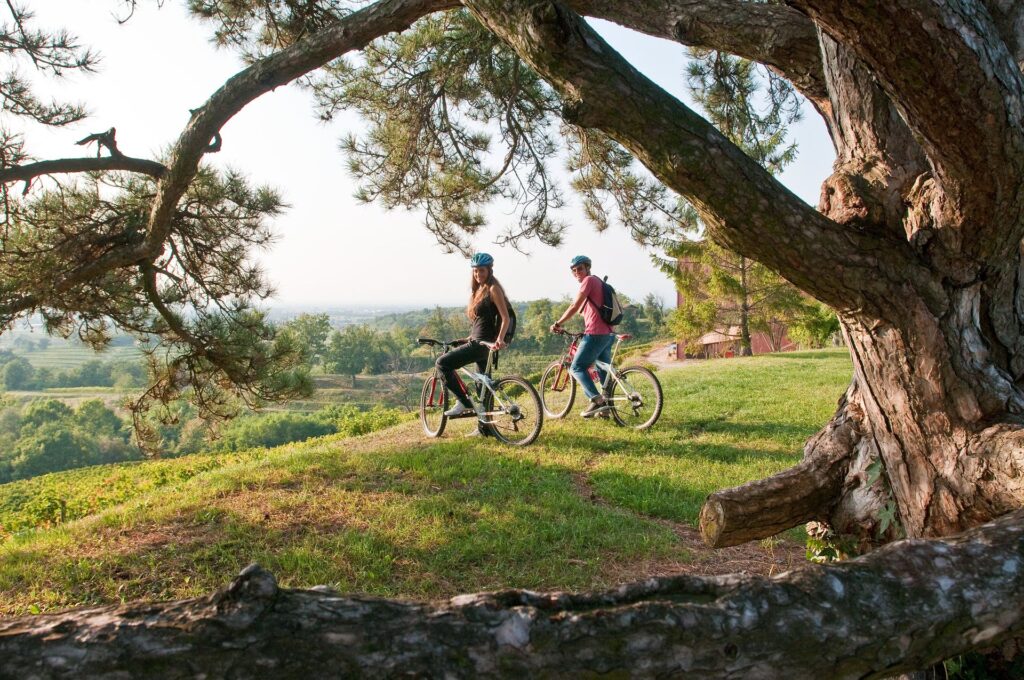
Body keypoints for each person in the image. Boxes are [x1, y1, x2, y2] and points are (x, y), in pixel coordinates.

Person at [438, 252, 511, 418]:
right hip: (478, 341)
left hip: (481, 345)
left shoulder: (493, 289)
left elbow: (505, 317)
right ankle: (485, 428)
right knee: (482, 386)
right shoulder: (479, 291)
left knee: (442, 363)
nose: (478, 274)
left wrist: (500, 339)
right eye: (475, 271)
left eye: (482, 270)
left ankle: (463, 402)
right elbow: (483, 323)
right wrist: (468, 338)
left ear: (489, 271)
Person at [550, 255, 614, 417]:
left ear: (587, 268)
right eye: (574, 270)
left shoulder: (589, 281)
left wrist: (558, 323)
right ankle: (606, 409)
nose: (577, 272)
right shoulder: (597, 282)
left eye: (580, 268)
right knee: (602, 370)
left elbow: (574, 306)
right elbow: (584, 311)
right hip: (608, 333)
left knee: (576, 367)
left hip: (596, 333)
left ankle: (596, 400)